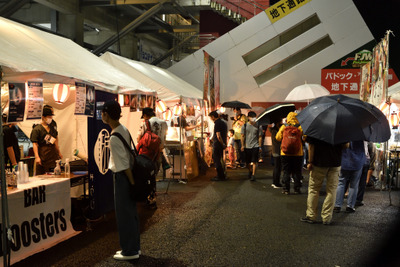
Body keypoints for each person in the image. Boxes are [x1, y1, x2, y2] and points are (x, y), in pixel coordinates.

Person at [101, 100, 140, 261]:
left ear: (107, 115)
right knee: (131, 214)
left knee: (124, 215)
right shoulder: (123, 129)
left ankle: (129, 251)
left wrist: (132, 184)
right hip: (128, 177)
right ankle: (134, 247)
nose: (102, 116)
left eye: (103, 113)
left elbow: (123, 164)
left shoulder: (114, 137)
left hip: (123, 178)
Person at [300, 136, 348, 225]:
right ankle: (327, 218)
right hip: (335, 163)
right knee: (332, 190)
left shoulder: (316, 127)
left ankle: (311, 216)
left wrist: (310, 161)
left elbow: (311, 146)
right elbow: (346, 145)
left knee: (314, 189)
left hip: (319, 163)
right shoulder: (339, 128)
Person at [137, 107, 168, 208]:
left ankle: (148, 198)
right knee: (153, 176)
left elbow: (139, 138)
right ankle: (152, 197)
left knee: (146, 177)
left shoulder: (145, 123)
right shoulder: (164, 123)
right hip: (158, 154)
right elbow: (164, 138)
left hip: (147, 155)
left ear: (145, 115)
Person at [334, 140, 366, 213]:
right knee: (354, 185)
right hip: (358, 160)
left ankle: (337, 205)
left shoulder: (344, 131)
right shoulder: (361, 132)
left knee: (341, 183)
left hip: (344, 159)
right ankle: (350, 206)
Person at [275, 112, 303, 194]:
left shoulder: (284, 127)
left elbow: (277, 138)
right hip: (298, 153)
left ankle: (286, 189)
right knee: (297, 171)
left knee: (286, 171)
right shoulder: (300, 127)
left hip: (285, 153)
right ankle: (297, 189)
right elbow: (305, 138)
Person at [30, 105, 62, 175]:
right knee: (42, 176)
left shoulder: (52, 126)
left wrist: (58, 152)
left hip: (53, 154)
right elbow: (34, 144)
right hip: (43, 155)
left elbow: (55, 139)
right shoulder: (37, 129)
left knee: (55, 174)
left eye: (51, 117)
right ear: (43, 117)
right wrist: (37, 157)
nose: (51, 118)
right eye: (49, 117)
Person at [241, 111, 263, 181]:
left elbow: (260, 137)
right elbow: (242, 136)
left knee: (254, 161)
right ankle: (250, 171)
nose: (253, 119)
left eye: (254, 117)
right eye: (252, 117)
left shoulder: (258, 125)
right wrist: (242, 145)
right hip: (247, 146)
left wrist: (259, 146)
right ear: (248, 118)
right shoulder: (244, 126)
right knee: (247, 162)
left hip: (255, 145)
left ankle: (253, 175)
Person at [209, 110, 227, 181]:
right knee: (220, 159)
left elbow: (218, 136)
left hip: (217, 144)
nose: (211, 119)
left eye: (210, 117)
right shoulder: (222, 122)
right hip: (221, 144)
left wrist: (222, 144)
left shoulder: (217, 123)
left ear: (213, 117)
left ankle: (220, 176)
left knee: (217, 160)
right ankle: (222, 175)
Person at [269, 118, 283, 188]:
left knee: (278, 167)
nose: (282, 122)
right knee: (277, 167)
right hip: (277, 151)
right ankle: (275, 182)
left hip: (276, 150)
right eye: (280, 121)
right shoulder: (275, 131)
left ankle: (276, 182)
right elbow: (277, 141)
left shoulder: (275, 130)